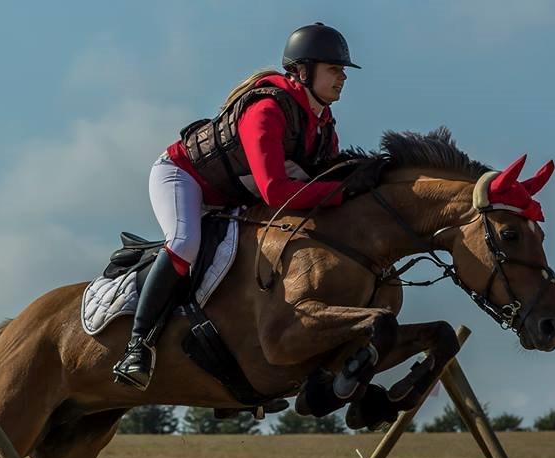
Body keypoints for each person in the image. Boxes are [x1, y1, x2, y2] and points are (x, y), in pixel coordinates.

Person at [113, 22, 380, 390]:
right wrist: (340, 191)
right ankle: (136, 346)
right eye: (334, 69)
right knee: (185, 242)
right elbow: (275, 191)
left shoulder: (323, 127)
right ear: (303, 71)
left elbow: (315, 189)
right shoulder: (268, 109)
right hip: (184, 178)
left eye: (343, 72)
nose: (342, 78)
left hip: (233, 198)